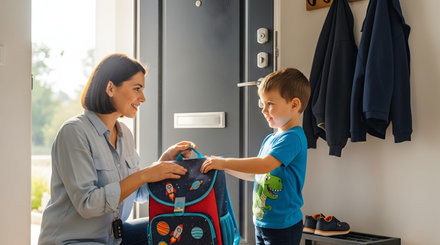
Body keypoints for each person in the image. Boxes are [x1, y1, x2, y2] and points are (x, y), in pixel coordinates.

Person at [38, 53, 196, 245]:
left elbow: (137, 193)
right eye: (137, 89)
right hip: (73, 241)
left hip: (113, 238)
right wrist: (145, 174)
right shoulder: (74, 133)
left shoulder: (125, 135)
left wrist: (164, 163)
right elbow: (88, 204)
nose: (143, 98)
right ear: (110, 88)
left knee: (180, 227)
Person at [201, 67, 311, 245]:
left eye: (270, 104)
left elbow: (263, 165)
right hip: (263, 222)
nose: (264, 110)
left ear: (294, 104)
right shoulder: (271, 138)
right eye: (262, 104)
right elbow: (255, 174)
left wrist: (224, 162)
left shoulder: (293, 138)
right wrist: (222, 166)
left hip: (283, 227)